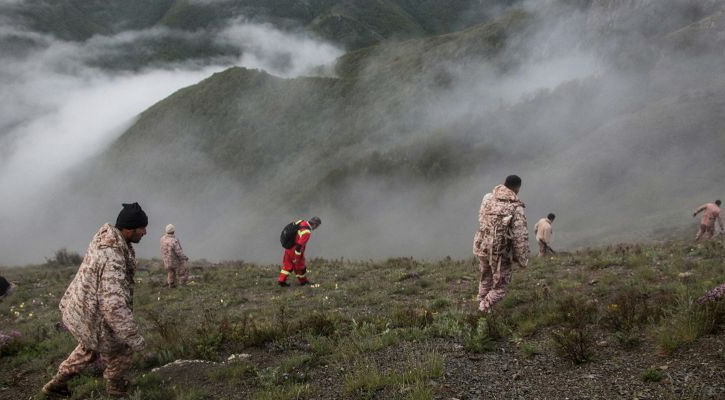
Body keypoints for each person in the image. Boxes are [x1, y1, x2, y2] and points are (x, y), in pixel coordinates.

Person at [43, 203, 148, 398]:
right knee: (121, 349)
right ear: (128, 229)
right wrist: (133, 338)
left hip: (83, 310)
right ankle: (116, 390)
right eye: (141, 228)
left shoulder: (106, 240)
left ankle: (57, 384)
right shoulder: (112, 257)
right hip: (94, 314)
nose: (145, 232)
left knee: (88, 348)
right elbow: (113, 305)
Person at [473, 175, 529, 313]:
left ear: (504, 183)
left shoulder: (487, 198)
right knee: (500, 287)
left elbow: (481, 218)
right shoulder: (516, 207)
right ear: (517, 188)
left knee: (485, 277)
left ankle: (482, 304)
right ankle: (482, 310)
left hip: (482, 246)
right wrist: (522, 259)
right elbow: (520, 236)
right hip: (500, 252)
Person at [278, 217, 321, 287]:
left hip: (289, 247)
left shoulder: (301, 221)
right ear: (315, 225)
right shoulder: (306, 232)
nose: (316, 228)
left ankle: (281, 281)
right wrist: (297, 258)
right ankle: (303, 282)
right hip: (294, 250)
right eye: (317, 226)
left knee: (287, 265)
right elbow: (299, 246)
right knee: (300, 266)